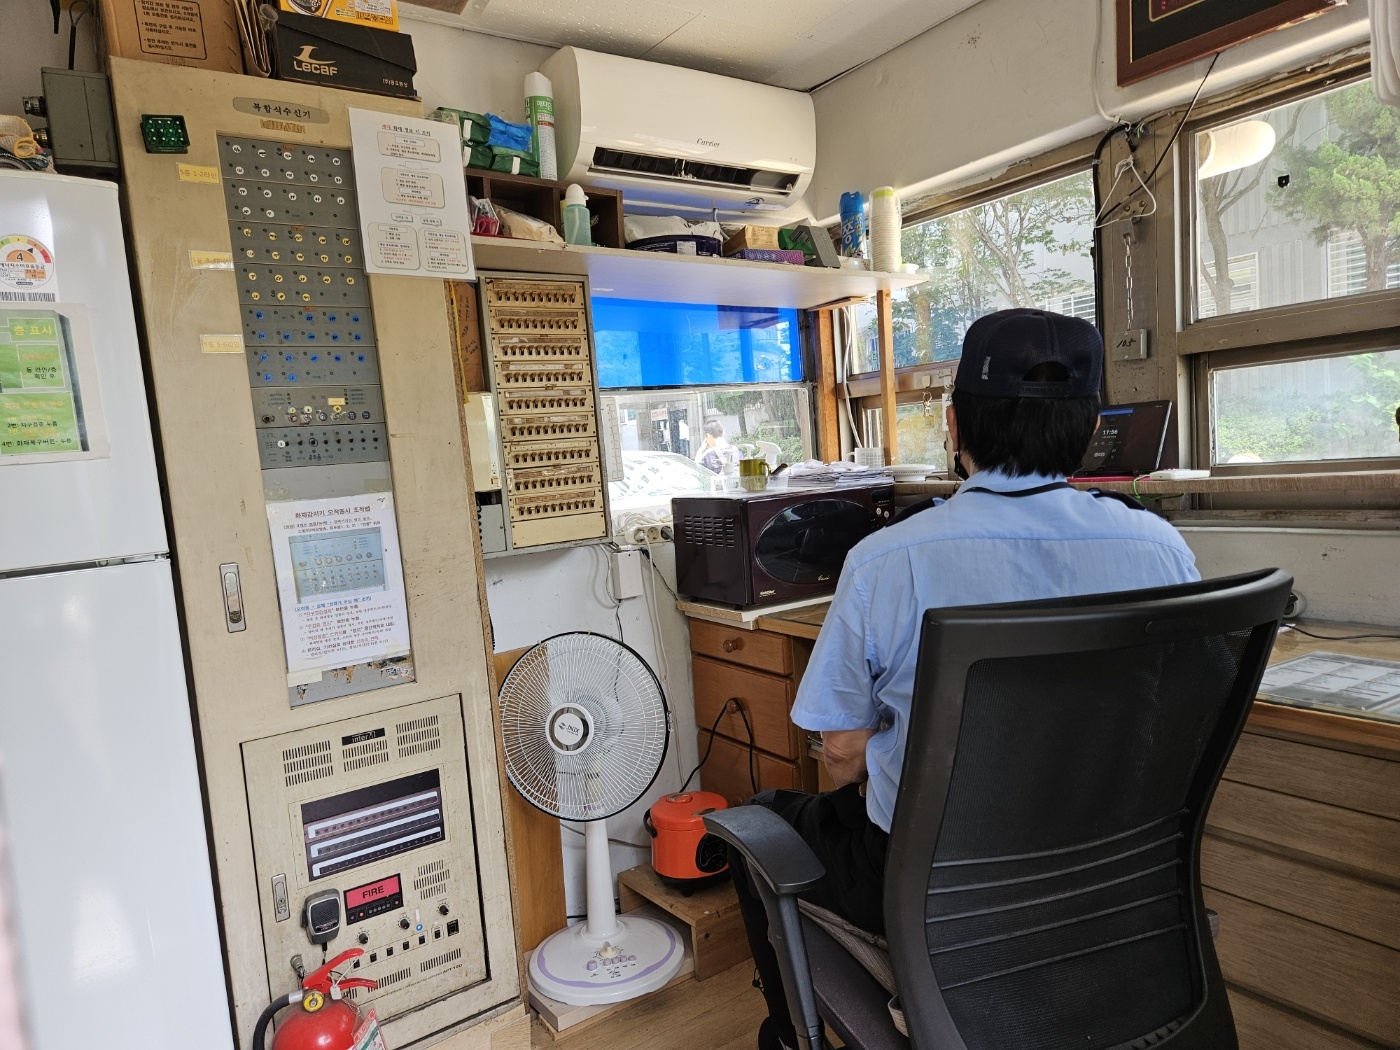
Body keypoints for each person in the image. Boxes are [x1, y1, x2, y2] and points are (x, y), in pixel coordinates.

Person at [729, 308, 1202, 1050]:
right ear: (1088, 426)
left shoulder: (891, 558)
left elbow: (843, 747)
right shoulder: (1160, 547)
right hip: (1101, 877)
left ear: (954, 426)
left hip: (937, 889)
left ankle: (794, 1036)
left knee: (763, 814)